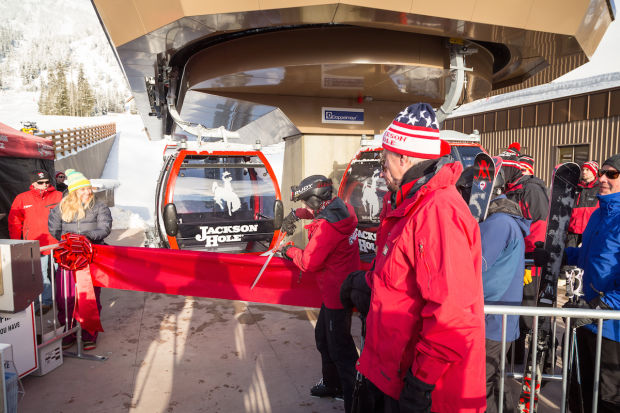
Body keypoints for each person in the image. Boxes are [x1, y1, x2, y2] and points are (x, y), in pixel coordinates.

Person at [356, 103, 486, 412]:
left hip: (425, 388)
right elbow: (401, 280)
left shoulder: (438, 211)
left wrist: (420, 384)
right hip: (392, 372)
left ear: (403, 157)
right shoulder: (408, 204)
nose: (381, 169)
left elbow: (451, 311)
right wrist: (365, 283)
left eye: (383, 159)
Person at [279, 175, 360, 413]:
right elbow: (319, 214)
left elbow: (309, 262)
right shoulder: (341, 208)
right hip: (338, 288)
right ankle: (333, 385)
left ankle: (353, 398)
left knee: (340, 348)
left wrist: (289, 250)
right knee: (323, 338)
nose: (305, 207)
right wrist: (295, 215)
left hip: (337, 294)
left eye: (306, 203)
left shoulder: (328, 227)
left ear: (316, 199)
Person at [563, 154, 620, 413]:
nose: (603, 179)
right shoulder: (598, 214)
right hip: (586, 315)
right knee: (583, 390)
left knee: (607, 396)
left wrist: (603, 305)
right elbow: (590, 256)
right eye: (602, 173)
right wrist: (562, 254)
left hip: (610, 327)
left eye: (612, 174)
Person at [479, 166, 530, 413]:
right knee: (496, 380)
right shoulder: (501, 218)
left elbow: (476, 265)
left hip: (492, 318)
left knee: (485, 382)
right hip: (497, 317)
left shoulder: (497, 222)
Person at [48, 169, 112, 350]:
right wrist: (69, 242)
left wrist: (86, 236)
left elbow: (104, 228)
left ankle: (88, 334)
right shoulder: (60, 207)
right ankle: (68, 332)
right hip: (68, 258)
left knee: (89, 297)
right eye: (83, 189)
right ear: (74, 191)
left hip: (90, 258)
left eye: (88, 188)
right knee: (64, 298)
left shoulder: (99, 207)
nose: (88, 192)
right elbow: (54, 230)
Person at [500, 155, 549, 360]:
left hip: (529, 263)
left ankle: (540, 357)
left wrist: (528, 261)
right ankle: (515, 355)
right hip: (513, 261)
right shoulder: (509, 190)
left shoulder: (531, 190)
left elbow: (539, 227)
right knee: (515, 310)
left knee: (528, 314)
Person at [8, 169, 63, 314]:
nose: (45, 185)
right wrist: (17, 244)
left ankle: (64, 299)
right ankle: (46, 302)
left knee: (61, 272)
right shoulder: (22, 198)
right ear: (33, 183)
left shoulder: (58, 196)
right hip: (36, 244)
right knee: (41, 274)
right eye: (41, 183)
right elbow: (14, 222)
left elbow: (68, 216)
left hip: (57, 243)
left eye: (47, 182)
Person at [566, 161, 599, 248]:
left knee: (586, 256)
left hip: (590, 230)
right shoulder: (576, 187)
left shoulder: (600, 188)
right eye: (583, 169)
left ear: (594, 172)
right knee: (569, 256)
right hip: (573, 229)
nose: (584, 172)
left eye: (587, 170)